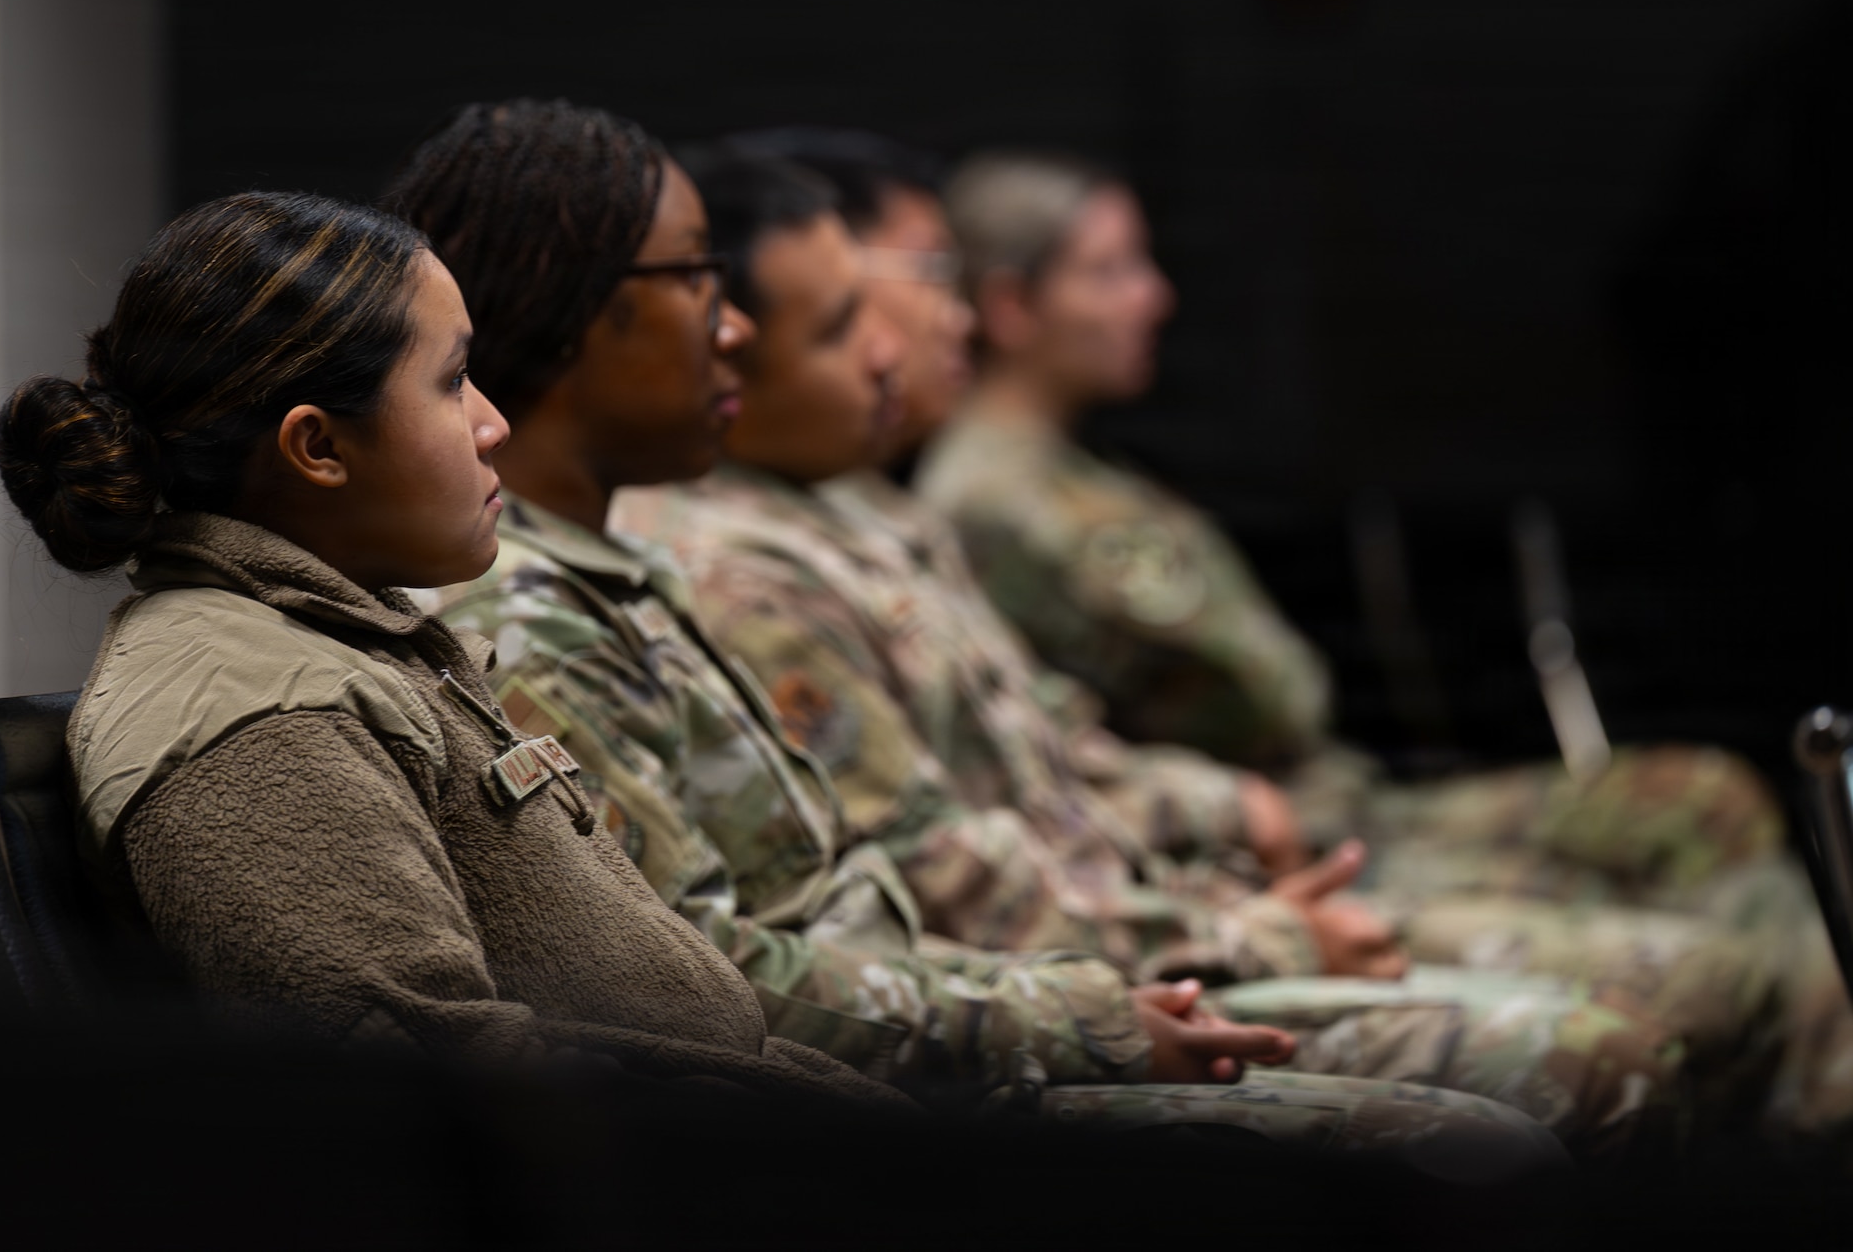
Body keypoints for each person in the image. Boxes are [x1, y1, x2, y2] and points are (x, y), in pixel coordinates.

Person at [381, 98, 1568, 1165]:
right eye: (699, 279)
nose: (732, 328)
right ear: (573, 306)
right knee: (1501, 1129)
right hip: (848, 1110)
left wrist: (1094, 988)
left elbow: (902, 870)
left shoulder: (631, 571)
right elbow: (709, 987)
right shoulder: (532, 619)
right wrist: (1090, 1009)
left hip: (950, 1022)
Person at [608, 145, 1698, 1156]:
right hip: (1034, 993)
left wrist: (1229, 876)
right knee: (1598, 1051)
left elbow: (1062, 765)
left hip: (1101, 948)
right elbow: (928, 894)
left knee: (1689, 879)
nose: (908, 336)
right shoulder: (744, 567)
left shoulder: (859, 515)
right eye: (848, 318)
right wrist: (1251, 935)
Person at [0, 189, 906, 1110]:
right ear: (318, 446)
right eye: (453, 380)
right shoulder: (260, 713)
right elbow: (423, 1099)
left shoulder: (339, 635)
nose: (492, 421)